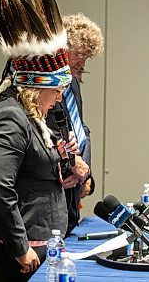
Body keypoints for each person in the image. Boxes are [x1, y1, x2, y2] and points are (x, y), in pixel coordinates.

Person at [0, 0, 79, 282]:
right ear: (36, 89)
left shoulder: (29, 117)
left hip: (37, 241)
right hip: (17, 249)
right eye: (56, 91)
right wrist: (19, 246)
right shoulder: (9, 117)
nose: (59, 99)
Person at [46, 13, 104, 236]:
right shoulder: (45, 85)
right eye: (79, 54)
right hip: (53, 185)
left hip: (72, 190)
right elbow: (41, 131)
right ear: (62, 48)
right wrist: (72, 163)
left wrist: (86, 173)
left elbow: (81, 129)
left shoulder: (74, 83)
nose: (83, 62)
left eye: (88, 57)